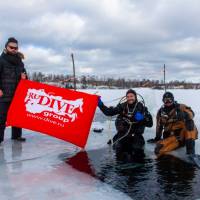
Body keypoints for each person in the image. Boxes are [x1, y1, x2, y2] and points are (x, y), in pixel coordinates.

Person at [98, 89, 153, 161]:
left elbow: (150, 124)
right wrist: (100, 104)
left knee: (137, 151)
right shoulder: (122, 106)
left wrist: (143, 118)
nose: (130, 98)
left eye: (131, 96)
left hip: (136, 135)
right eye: (128, 96)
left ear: (135, 97)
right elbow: (109, 112)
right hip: (122, 134)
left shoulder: (142, 108)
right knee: (118, 148)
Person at [148, 92, 198, 156]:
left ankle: (191, 152)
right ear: (163, 101)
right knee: (159, 149)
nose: (168, 101)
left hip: (185, 134)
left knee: (190, 123)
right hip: (174, 137)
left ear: (173, 99)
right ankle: (177, 144)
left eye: (170, 99)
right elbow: (159, 126)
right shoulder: (160, 112)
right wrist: (157, 138)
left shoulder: (181, 107)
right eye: (165, 100)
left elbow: (192, 113)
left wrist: (184, 114)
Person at [0, 37, 27, 144]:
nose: (14, 49)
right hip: (3, 94)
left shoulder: (20, 62)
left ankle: (16, 136)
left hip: (17, 94)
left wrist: (24, 78)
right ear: (6, 47)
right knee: (1, 118)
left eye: (16, 48)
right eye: (11, 47)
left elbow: (25, 77)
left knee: (17, 116)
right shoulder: (1, 60)